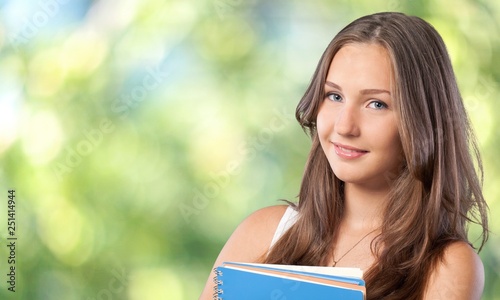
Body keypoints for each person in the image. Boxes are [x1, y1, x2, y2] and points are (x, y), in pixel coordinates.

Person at [200, 12, 489, 299]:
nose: (344, 126)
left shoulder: (447, 265)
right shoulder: (262, 233)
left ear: (422, 120)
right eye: (334, 96)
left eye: (376, 104)